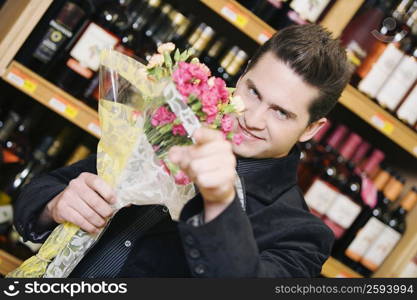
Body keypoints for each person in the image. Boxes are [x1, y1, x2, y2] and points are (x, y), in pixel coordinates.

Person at [13, 24, 350, 278]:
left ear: (311, 129)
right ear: (243, 74)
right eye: (253, 92)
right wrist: (55, 206)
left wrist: (219, 202)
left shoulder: (302, 235)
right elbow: (43, 189)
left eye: (281, 112)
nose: (253, 118)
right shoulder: (176, 127)